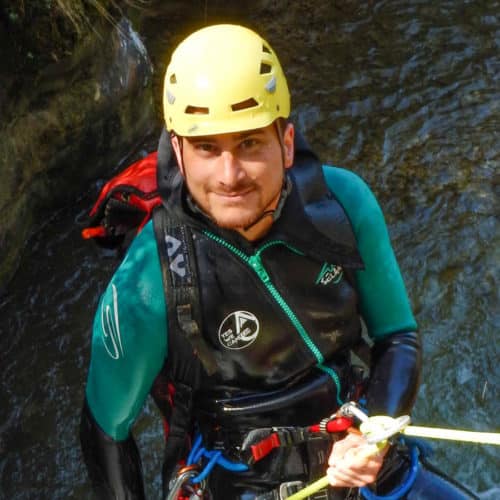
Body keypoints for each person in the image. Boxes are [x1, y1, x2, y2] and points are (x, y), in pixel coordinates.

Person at [80, 24, 476, 500]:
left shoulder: (342, 205)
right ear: (179, 155)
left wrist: (370, 431)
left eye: (249, 143)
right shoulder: (150, 276)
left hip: (356, 449)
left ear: (286, 143)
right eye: (208, 148)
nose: (230, 176)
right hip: (234, 478)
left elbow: (397, 337)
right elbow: (106, 430)